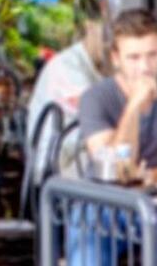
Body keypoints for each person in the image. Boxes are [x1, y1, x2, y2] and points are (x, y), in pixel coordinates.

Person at [69, 9, 157, 265]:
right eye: (134, 57)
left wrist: (152, 176)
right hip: (104, 203)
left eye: (152, 55)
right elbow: (117, 168)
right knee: (87, 256)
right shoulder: (96, 97)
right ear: (116, 59)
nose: (144, 67)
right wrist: (134, 106)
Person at [26, 19, 108, 173]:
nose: (110, 42)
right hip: (56, 166)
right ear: (90, 26)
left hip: (79, 157)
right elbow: (97, 112)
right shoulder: (66, 65)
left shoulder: (99, 68)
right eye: (106, 33)